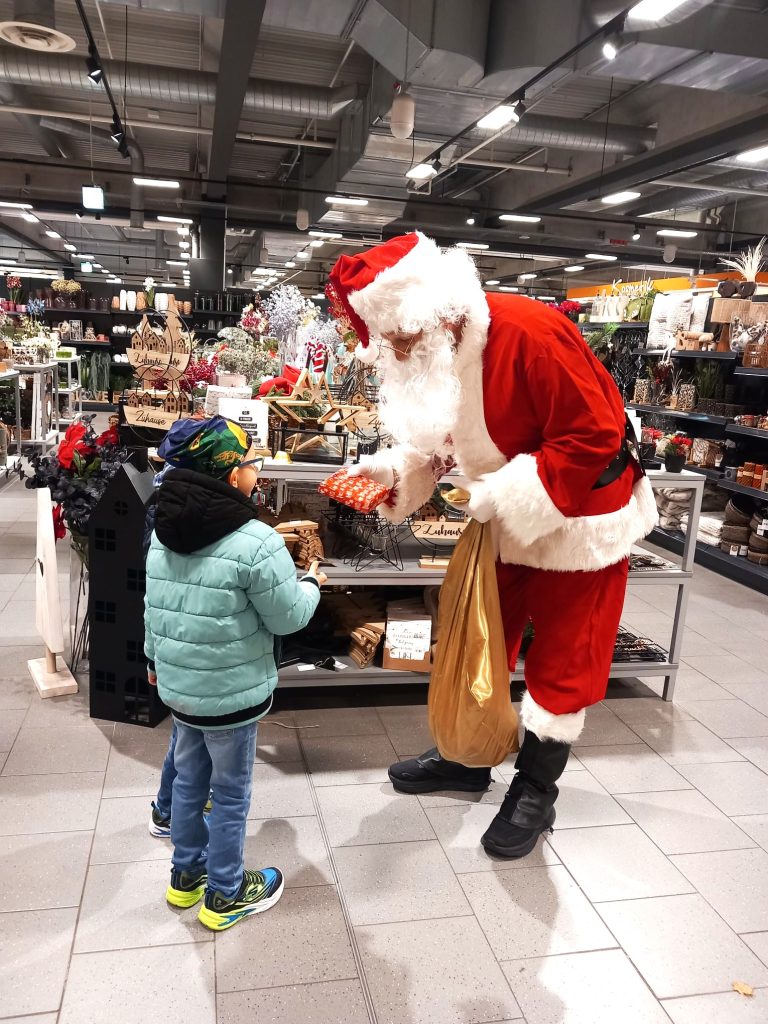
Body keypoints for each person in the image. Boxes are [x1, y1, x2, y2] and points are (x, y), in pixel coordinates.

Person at [327, 232, 657, 860]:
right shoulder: (437, 351)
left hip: (582, 523)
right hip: (503, 523)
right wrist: (395, 473)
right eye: (386, 340)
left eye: (400, 337)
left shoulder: (531, 333)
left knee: (564, 659)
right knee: (477, 639)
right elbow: (445, 444)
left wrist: (503, 497)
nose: (392, 350)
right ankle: (468, 756)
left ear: (436, 314)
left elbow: (590, 437)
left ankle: (536, 789)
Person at [144, 415, 326, 929]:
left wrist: (156, 661)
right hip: (233, 695)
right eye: (250, 463)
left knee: (187, 783)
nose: (255, 471)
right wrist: (311, 583)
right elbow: (288, 615)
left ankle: (186, 877)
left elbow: (154, 606)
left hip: (180, 688)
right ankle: (224, 891)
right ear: (229, 475)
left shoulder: (164, 530)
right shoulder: (255, 540)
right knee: (229, 793)